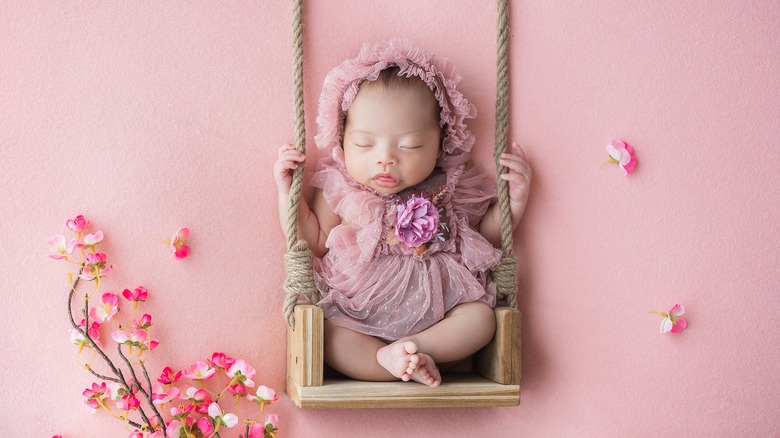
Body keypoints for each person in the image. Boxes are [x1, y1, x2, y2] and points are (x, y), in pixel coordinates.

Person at [274, 39, 531, 387]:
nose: (386, 158)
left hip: (439, 314)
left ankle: (416, 350)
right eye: (365, 143)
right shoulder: (341, 189)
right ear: (342, 138)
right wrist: (288, 194)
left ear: (441, 143)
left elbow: (486, 237)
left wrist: (513, 203)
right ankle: (388, 360)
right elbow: (313, 239)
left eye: (410, 145)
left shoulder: (449, 188)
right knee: (329, 337)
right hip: (359, 314)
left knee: (482, 319)